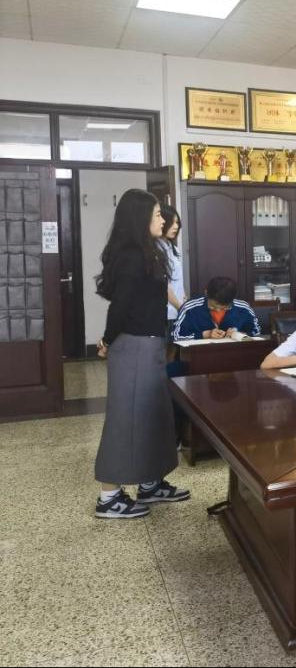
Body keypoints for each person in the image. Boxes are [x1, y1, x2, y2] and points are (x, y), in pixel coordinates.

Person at [93, 189, 190, 519]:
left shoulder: (150, 251)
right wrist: (107, 340)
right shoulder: (131, 256)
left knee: (153, 415)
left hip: (149, 344)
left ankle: (150, 482)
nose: (163, 220)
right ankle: (109, 497)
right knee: (125, 419)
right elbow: (120, 306)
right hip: (133, 346)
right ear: (140, 218)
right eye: (158, 214)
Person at [171, 276, 260, 341]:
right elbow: (175, 337)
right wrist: (205, 334)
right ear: (206, 293)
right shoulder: (190, 308)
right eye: (213, 306)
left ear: (232, 300)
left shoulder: (243, 308)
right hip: (200, 355)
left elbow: (256, 333)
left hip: (235, 354)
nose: (218, 310)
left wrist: (240, 335)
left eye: (225, 308)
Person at [158, 204, 185, 335]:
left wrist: (183, 301)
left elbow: (177, 280)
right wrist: (180, 306)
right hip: (167, 311)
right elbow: (163, 285)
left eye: (177, 222)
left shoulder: (173, 248)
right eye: (172, 222)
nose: (176, 226)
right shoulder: (156, 249)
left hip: (177, 309)